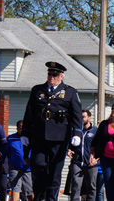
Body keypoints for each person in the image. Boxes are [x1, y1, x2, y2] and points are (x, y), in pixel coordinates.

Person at [21, 61, 83, 201]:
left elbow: (76, 115)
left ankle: (51, 198)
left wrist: (77, 133)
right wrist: (25, 132)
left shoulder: (70, 92)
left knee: (55, 171)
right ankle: (39, 196)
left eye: (55, 74)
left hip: (59, 137)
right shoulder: (37, 90)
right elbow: (29, 113)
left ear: (61, 76)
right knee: (38, 166)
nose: (51, 77)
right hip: (39, 136)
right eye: (49, 74)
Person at [68, 110, 98, 201]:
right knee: (76, 185)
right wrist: (68, 150)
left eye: (84, 117)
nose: (82, 119)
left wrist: (96, 159)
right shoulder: (76, 130)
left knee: (91, 187)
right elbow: (70, 144)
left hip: (90, 164)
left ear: (89, 118)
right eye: (80, 117)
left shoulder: (95, 131)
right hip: (77, 162)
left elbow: (100, 147)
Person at [90, 106, 114, 201]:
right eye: (113, 108)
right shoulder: (104, 124)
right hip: (106, 159)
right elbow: (95, 140)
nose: (113, 111)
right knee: (108, 184)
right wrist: (92, 154)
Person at [6, 120, 33, 201]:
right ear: (17, 128)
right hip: (14, 167)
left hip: (27, 168)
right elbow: (6, 152)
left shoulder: (30, 138)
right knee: (15, 188)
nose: (22, 130)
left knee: (30, 191)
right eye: (20, 128)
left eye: (23, 128)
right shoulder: (10, 138)